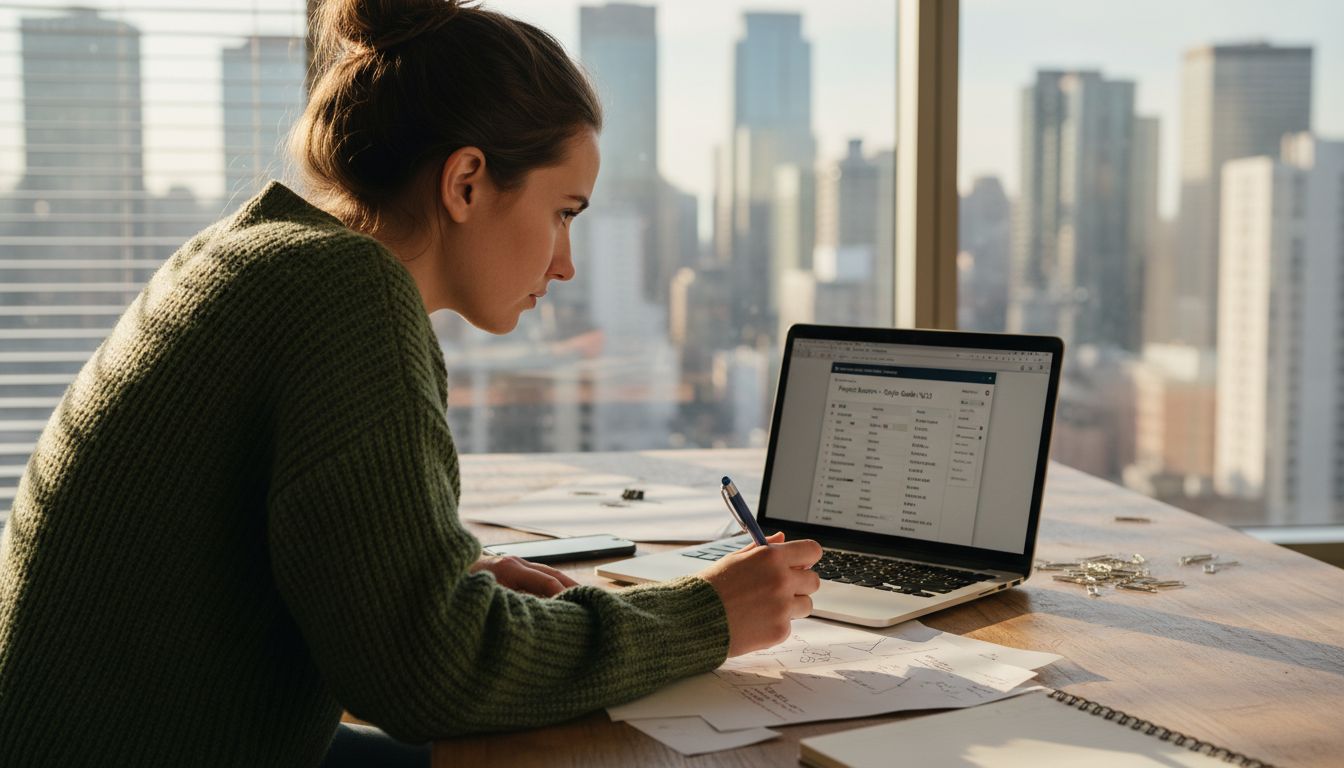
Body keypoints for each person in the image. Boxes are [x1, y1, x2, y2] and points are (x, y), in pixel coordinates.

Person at [0, 0, 822, 765]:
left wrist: (434, 572)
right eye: (564, 212)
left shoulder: (256, 249)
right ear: (466, 181)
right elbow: (435, 677)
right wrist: (707, 616)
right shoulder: (348, 296)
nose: (566, 263)